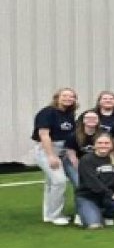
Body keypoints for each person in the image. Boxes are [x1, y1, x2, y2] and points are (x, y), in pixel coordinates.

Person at [32, 87, 79, 225]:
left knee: (51, 183)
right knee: (59, 181)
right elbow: (44, 135)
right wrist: (51, 156)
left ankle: (48, 215)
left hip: (64, 151)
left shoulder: (69, 114)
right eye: (65, 95)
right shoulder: (47, 112)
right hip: (48, 150)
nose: (68, 98)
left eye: (72, 96)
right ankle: (55, 215)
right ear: (57, 97)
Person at [75, 134, 114, 229]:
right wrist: (112, 195)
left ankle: (105, 214)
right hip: (89, 197)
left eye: (106, 143)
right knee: (95, 226)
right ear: (94, 145)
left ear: (112, 145)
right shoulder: (86, 160)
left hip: (107, 197)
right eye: (99, 143)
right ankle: (84, 214)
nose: (103, 145)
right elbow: (92, 183)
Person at [64, 110, 104, 189]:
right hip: (75, 163)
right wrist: (84, 171)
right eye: (88, 118)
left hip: (96, 163)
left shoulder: (103, 135)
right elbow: (72, 156)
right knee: (81, 184)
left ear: (98, 120)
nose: (91, 120)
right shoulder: (73, 136)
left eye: (94, 118)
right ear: (83, 120)